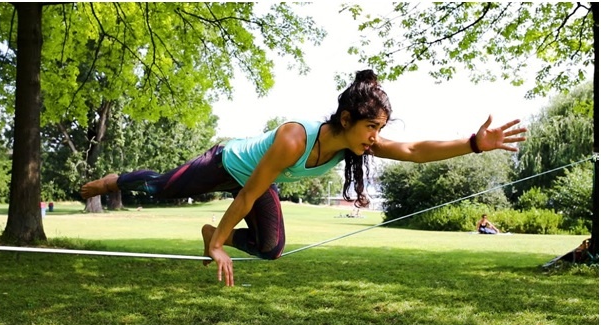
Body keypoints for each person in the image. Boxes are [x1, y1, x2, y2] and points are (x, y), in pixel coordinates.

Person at [80, 69, 526, 286]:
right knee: (159, 187)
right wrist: (218, 244)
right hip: (228, 165)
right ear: (348, 118)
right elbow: (250, 190)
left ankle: (210, 232)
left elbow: (414, 151)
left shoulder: (353, 143)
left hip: (255, 184)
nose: (377, 138)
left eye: (380, 131)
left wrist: (472, 143)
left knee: (272, 250)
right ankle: (113, 180)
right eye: (372, 128)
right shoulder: (295, 138)